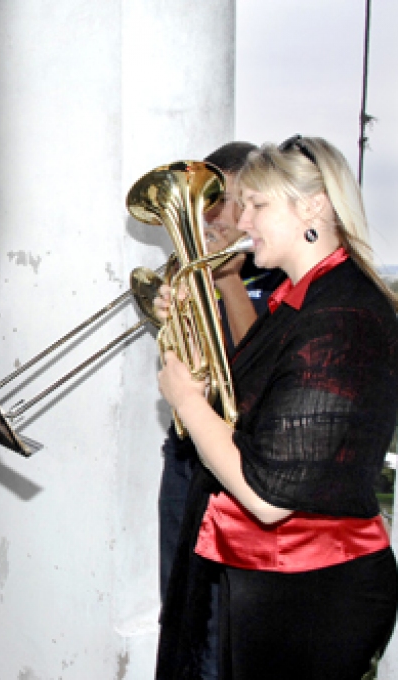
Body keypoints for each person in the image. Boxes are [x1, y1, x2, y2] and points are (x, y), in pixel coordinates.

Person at [155, 136, 398, 680]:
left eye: (257, 205)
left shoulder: (343, 318)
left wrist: (186, 400)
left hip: (313, 597)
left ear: (313, 206)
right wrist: (189, 348)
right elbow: (244, 412)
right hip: (264, 578)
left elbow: (269, 496)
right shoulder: (299, 300)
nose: (242, 221)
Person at [156, 142, 286, 679]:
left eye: (231, 202)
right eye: (212, 204)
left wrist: (228, 279)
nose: (221, 218)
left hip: (238, 469)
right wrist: (172, 313)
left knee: (218, 629)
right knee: (178, 613)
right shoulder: (198, 267)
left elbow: (257, 367)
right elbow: (185, 371)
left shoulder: (274, 273)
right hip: (187, 457)